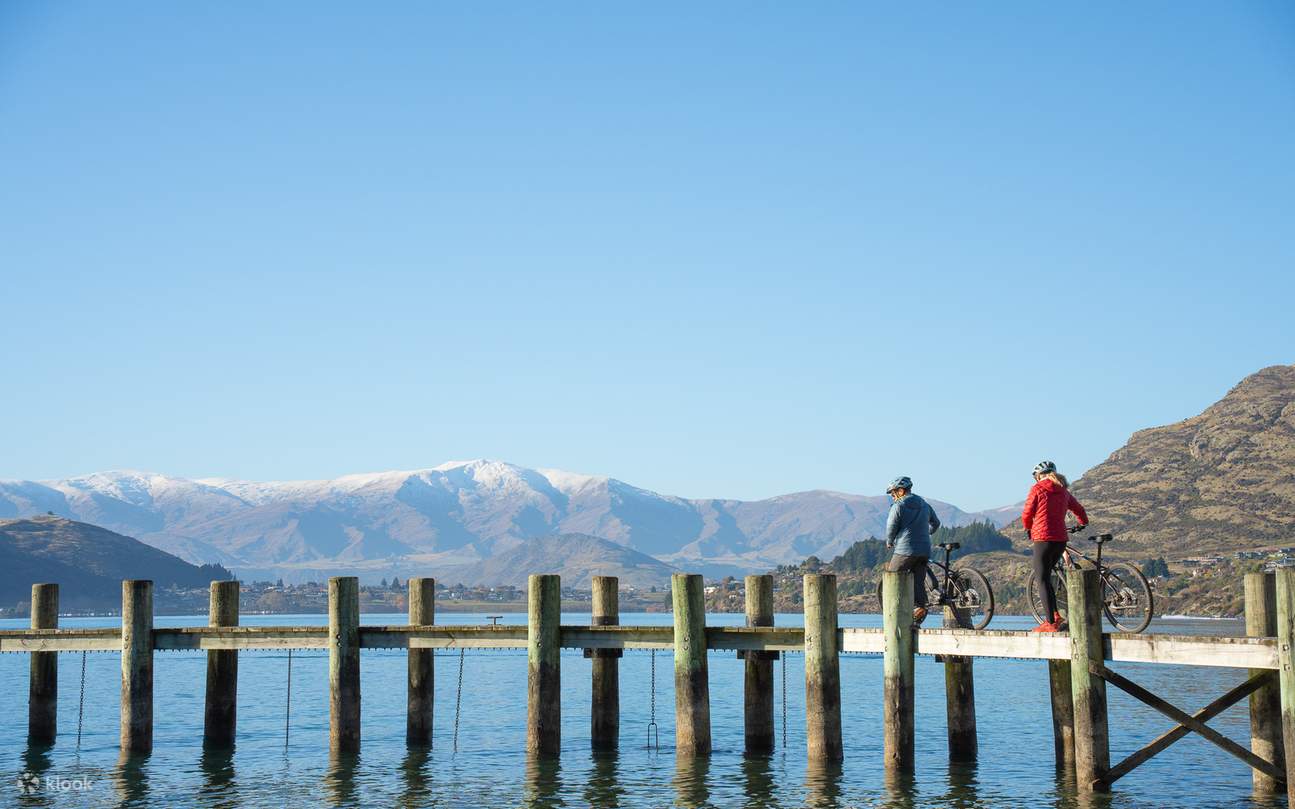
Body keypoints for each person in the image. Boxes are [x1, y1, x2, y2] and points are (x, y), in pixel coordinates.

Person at [1022, 460, 1088, 632]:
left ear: (1038, 477)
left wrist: (1028, 527)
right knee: (1048, 575)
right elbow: (1079, 510)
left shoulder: (1037, 489)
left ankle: (1050, 623)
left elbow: (1027, 512)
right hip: (1060, 540)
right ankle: (1056, 616)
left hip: (1043, 539)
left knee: (1042, 579)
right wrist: (1083, 523)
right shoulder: (1063, 491)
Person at [884, 476, 941, 625]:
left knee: (892, 576)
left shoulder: (898, 506)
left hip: (905, 549)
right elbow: (936, 523)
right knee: (918, 581)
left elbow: (891, 525)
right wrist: (926, 533)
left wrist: (890, 541)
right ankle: (919, 610)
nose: (892, 496)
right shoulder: (924, 504)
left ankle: (895, 612)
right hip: (924, 550)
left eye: (893, 493)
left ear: (901, 491)